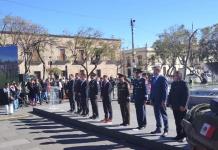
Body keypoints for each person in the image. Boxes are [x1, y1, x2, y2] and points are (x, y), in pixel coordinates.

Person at [168, 71, 189, 142]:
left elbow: (186, 95)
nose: (174, 76)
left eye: (176, 75)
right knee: (177, 122)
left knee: (182, 122)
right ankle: (178, 135)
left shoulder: (184, 83)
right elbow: (170, 94)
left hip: (182, 107)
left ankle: (184, 136)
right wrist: (169, 103)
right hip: (175, 106)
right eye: (174, 75)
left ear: (180, 76)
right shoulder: (173, 83)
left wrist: (183, 105)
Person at [150, 65, 169, 137]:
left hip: (161, 101)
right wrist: (151, 99)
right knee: (157, 115)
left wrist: (164, 101)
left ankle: (166, 130)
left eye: (154, 70)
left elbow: (165, 91)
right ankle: (158, 128)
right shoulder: (153, 78)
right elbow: (152, 89)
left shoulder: (162, 78)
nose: (153, 71)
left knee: (164, 115)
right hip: (155, 100)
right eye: (153, 70)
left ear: (158, 70)